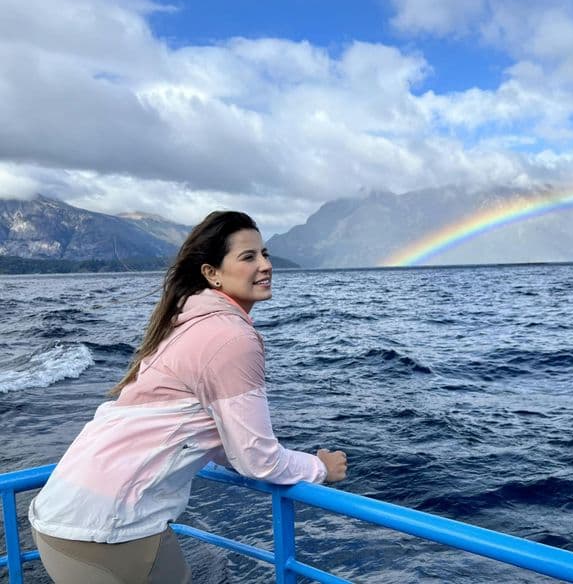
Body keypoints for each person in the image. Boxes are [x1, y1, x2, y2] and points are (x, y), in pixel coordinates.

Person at [28, 211, 347, 583]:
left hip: (60, 515)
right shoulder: (231, 338)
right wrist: (320, 467)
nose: (265, 265)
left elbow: (203, 425)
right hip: (107, 530)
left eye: (266, 253)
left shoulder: (184, 325)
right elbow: (258, 461)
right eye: (248, 257)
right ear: (212, 273)